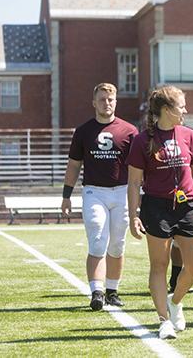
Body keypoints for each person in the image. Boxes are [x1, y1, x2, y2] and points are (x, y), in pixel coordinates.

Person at [126, 85, 193, 340]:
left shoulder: (190, 135)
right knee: (159, 265)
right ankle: (163, 320)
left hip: (188, 205)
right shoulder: (142, 140)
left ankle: (175, 300)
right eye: (181, 105)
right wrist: (133, 215)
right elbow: (134, 183)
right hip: (156, 207)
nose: (185, 110)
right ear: (165, 109)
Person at [61, 82, 138, 311]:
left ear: (116, 102)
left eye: (110, 99)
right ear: (94, 102)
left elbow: (137, 168)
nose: (107, 103)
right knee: (97, 238)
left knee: (117, 243)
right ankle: (97, 291)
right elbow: (74, 165)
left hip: (122, 191)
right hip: (94, 191)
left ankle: (112, 290)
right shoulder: (83, 131)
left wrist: (141, 195)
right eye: (102, 99)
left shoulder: (129, 131)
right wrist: (66, 195)